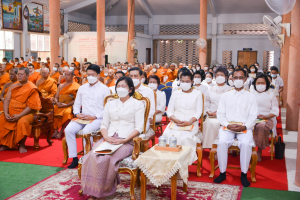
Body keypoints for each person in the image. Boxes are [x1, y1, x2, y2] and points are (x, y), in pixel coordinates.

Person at [81, 76, 145, 199]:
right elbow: (104, 124)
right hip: (109, 138)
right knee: (91, 156)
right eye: (118, 86)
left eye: (124, 86)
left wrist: (125, 140)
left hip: (127, 141)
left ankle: (104, 190)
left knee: (106, 159)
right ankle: (93, 189)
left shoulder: (137, 104)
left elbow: (139, 127)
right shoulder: (110, 104)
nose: (120, 88)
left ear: (130, 89)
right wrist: (106, 137)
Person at [214, 69, 258, 187]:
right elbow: (220, 114)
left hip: (244, 127)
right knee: (222, 141)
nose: (238, 80)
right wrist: (227, 124)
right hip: (228, 126)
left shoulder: (251, 96)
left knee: (246, 143)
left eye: (241, 78)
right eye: (236, 78)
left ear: (245, 80)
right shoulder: (225, 96)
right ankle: (222, 172)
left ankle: (243, 174)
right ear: (231, 79)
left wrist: (244, 126)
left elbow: (253, 116)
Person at [65, 65, 111, 169]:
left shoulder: (105, 89)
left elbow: (107, 108)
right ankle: (74, 158)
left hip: (97, 118)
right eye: (88, 74)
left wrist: (94, 116)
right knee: (68, 130)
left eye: (93, 75)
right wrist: (77, 114)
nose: (90, 76)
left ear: (98, 76)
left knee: (86, 131)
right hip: (83, 117)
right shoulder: (82, 88)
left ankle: (87, 158)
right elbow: (76, 104)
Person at [163, 71, 202, 164]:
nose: (185, 83)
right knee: (166, 135)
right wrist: (174, 119)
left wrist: (189, 121)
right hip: (175, 122)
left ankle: (182, 164)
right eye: (183, 81)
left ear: (192, 82)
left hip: (191, 123)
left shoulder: (197, 93)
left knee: (184, 139)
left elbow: (198, 112)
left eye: (187, 81)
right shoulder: (175, 93)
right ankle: (169, 163)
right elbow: (169, 111)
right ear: (180, 81)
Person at [0, 67, 42, 153]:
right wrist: (6, 113)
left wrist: (19, 115)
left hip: (28, 113)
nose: (19, 76)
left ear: (27, 75)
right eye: (18, 74)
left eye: (22, 74)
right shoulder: (13, 86)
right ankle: (6, 144)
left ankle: (22, 144)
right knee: (2, 118)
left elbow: (31, 106)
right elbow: (7, 100)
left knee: (22, 121)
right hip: (12, 110)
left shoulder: (32, 88)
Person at [251, 74, 279, 162]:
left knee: (261, 126)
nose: (260, 85)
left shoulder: (271, 94)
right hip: (251, 118)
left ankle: (259, 150)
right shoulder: (250, 94)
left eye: (262, 83)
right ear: (254, 84)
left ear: (266, 84)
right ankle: (247, 149)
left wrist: (266, 116)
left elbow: (275, 111)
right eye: (258, 83)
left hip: (266, 118)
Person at [202, 66, 231, 149]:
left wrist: (220, 113)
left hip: (226, 115)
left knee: (218, 124)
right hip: (211, 114)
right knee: (209, 123)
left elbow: (231, 105)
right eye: (217, 75)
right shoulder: (210, 89)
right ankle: (212, 147)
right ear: (215, 77)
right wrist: (208, 112)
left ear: (226, 77)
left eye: (222, 75)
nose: (219, 77)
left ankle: (220, 147)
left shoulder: (230, 90)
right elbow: (206, 102)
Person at [53, 69, 80, 139]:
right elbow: (55, 97)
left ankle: (61, 131)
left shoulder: (76, 86)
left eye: (68, 75)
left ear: (72, 76)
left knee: (68, 113)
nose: (66, 76)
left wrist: (66, 105)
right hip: (59, 104)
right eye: (65, 75)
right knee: (52, 110)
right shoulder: (60, 86)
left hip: (69, 105)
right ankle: (55, 130)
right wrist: (57, 102)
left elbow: (76, 99)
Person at [129, 67, 155, 131]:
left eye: (135, 76)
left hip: (142, 120)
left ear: (141, 77)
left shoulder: (148, 91)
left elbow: (151, 110)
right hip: (127, 119)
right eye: (131, 76)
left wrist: (140, 117)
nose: (133, 78)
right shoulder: (126, 90)